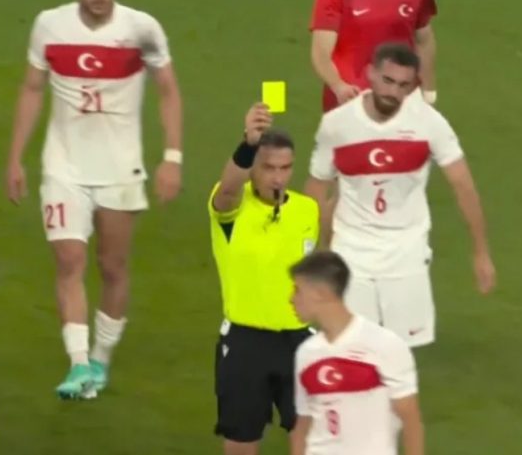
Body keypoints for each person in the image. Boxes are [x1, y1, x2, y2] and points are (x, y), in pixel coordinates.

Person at [4, 0, 183, 399]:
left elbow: (168, 91)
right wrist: (15, 157)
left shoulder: (142, 28)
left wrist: (172, 158)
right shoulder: (49, 24)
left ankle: (101, 358)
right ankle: (79, 363)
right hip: (63, 168)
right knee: (70, 260)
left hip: (120, 170)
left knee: (112, 266)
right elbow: (32, 88)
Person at [304, 42, 496, 348]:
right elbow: (316, 188)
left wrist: (481, 252)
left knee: (399, 353)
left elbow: (463, 185)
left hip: (406, 252)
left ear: (413, 85)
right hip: (352, 251)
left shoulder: (429, 124)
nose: (393, 92)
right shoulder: (337, 125)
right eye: (388, 80)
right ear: (370, 74)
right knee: (352, 348)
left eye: (404, 85)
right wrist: (321, 250)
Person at [209, 103, 320, 455]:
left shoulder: (307, 210)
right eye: (268, 167)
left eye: (285, 168)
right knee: (241, 442)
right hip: (246, 343)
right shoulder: (231, 207)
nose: (277, 177)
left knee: (314, 441)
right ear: (253, 168)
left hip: (299, 341)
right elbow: (228, 190)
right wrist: (248, 144)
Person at [289, 251, 424, 455]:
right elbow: (303, 424)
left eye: (298, 290)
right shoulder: (306, 352)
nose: (291, 299)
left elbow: (411, 422)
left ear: (320, 293)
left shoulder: (384, 344)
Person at [310, 0, 438, 112]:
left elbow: (423, 41)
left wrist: (428, 91)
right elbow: (321, 52)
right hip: (352, 98)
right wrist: (338, 86)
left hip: (402, 95)